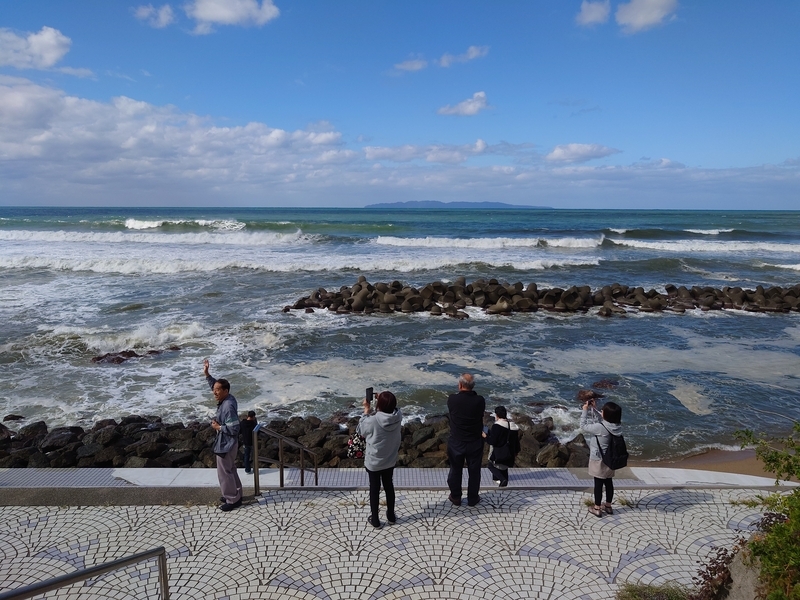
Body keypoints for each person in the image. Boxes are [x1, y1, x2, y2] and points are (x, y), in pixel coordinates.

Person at [357, 390, 403, 528]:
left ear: (379, 405)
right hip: (390, 458)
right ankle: (391, 516)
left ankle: (375, 520)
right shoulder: (398, 416)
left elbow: (360, 430)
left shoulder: (373, 420)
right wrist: (383, 401)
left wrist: (366, 409)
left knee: (374, 489)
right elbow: (391, 409)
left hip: (374, 461)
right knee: (389, 485)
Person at [204, 359, 242, 512]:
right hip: (229, 444)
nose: (214, 392)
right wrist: (207, 374)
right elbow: (215, 385)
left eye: (217, 390)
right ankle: (236, 494)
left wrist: (219, 427)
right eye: (215, 389)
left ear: (225, 391)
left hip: (226, 444)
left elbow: (234, 428)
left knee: (224, 472)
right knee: (230, 469)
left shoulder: (228, 406)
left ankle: (232, 499)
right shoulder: (227, 397)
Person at [446, 373, 486, 507]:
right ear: (472, 386)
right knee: (474, 471)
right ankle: (473, 498)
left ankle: (456, 496)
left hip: (457, 441)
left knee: (455, 469)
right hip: (474, 441)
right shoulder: (480, 400)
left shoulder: (452, 400)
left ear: (460, 385)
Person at [580, 399, 623, 517]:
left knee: (598, 484)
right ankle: (608, 506)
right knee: (609, 482)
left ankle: (597, 508)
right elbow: (604, 422)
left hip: (598, 459)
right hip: (611, 459)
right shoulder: (617, 426)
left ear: (606, 414)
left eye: (602, 411)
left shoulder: (600, 428)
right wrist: (595, 408)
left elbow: (583, 426)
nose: (601, 411)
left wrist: (585, 410)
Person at [482, 406, 519, 487]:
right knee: (504, 467)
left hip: (499, 452)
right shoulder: (513, 426)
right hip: (510, 453)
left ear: (497, 415)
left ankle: (502, 480)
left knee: (490, 465)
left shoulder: (497, 426)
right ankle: (501, 479)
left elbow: (493, 441)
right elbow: (516, 442)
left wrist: (485, 436)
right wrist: (516, 452)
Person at [240, 410, 257, 474]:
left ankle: (247, 470)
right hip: (252, 442)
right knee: (254, 456)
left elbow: (240, 431)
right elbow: (257, 432)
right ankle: (255, 469)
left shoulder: (242, 423)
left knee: (246, 456)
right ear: (253, 417)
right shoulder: (253, 424)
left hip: (245, 441)